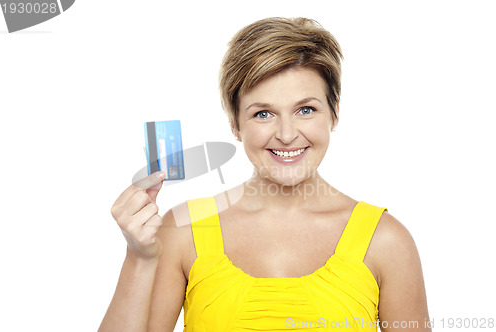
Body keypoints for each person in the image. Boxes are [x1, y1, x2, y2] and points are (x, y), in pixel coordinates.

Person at [99, 17, 431, 331]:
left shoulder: (385, 240)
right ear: (235, 124)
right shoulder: (182, 230)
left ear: (334, 113)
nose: (286, 134)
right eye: (263, 113)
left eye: (306, 110)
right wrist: (139, 257)